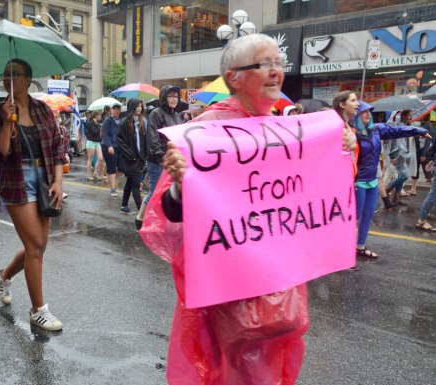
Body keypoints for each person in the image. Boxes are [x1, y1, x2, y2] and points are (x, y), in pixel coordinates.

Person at [142, 34, 357, 384]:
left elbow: (311, 190)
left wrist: (340, 147)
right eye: (264, 64)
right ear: (234, 77)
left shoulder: (287, 129)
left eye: (279, 63)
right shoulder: (207, 130)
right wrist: (181, 183)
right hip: (233, 288)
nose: (276, 72)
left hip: (280, 281)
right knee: (236, 369)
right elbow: (170, 210)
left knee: (268, 365)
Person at [0, 59, 66, 331]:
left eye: (15, 75)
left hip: (44, 179)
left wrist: (58, 180)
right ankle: (37, 310)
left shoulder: (42, 109)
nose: (9, 80)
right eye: (5, 75)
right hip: (15, 179)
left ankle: (4, 275)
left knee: (40, 245)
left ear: (28, 79)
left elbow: (57, 147)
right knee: (35, 247)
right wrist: (8, 121)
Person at [349, 100, 428, 259]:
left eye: (369, 111)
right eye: (363, 111)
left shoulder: (377, 130)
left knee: (368, 215)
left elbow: (397, 130)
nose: (367, 113)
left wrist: (418, 130)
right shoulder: (351, 134)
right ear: (355, 115)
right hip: (357, 182)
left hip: (372, 180)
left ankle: (360, 247)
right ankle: (342, 249)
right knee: (353, 218)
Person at [137, 85, 184, 230]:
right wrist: (163, 160)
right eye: (170, 96)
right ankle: (140, 218)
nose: (174, 99)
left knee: (169, 193)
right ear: (164, 97)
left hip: (173, 161)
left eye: (176, 96)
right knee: (155, 191)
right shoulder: (156, 114)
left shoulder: (178, 115)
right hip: (158, 161)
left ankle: (159, 221)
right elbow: (153, 140)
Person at [117, 98, 147, 215]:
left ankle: (124, 205)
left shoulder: (142, 122)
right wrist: (129, 154)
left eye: (141, 106)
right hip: (130, 158)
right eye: (137, 106)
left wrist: (145, 156)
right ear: (132, 107)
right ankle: (141, 212)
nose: (139, 108)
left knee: (130, 181)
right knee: (135, 184)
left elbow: (144, 140)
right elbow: (120, 140)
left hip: (140, 158)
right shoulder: (125, 122)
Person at [101, 103, 123, 196]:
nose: (116, 110)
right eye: (114, 108)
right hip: (108, 146)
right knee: (112, 168)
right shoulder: (108, 120)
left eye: (118, 109)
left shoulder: (121, 120)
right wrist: (109, 146)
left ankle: (109, 179)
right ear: (111, 110)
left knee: (122, 168)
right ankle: (113, 189)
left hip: (119, 146)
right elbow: (105, 134)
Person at [85, 110, 105, 181]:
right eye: (99, 115)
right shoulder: (90, 123)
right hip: (91, 142)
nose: (100, 116)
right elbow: (94, 132)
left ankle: (95, 172)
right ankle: (89, 174)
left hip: (97, 142)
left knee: (100, 158)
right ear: (95, 115)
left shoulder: (99, 123)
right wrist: (100, 127)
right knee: (90, 159)